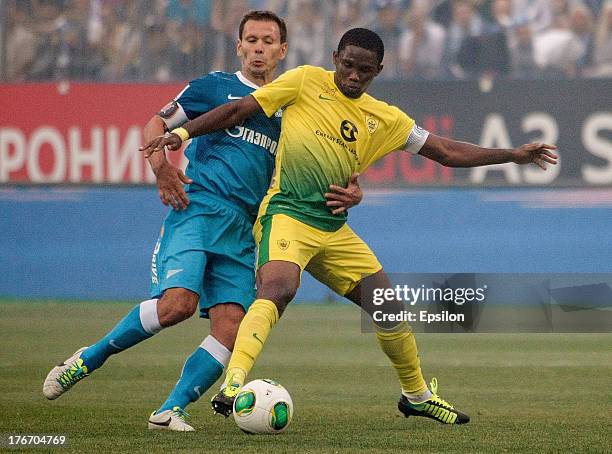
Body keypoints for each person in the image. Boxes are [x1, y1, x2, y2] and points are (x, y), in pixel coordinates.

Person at [142, 28, 558, 425]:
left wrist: (513, 155)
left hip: (333, 229)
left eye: (365, 70)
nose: (354, 76)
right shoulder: (304, 82)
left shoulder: (386, 118)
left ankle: (416, 397)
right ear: (335, 60)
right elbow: (238, 109)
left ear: (378, 70)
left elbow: (446, 151)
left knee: (388, 306)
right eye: (348, 66)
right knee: (279, 288)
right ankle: (233, 386)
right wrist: (182, 132)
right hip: (286, 214)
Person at [42, 10, 362, 432]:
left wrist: (353, 191)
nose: (259, 48)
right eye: (252, 40)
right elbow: (156, 123)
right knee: (178, 305)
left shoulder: (293, 106)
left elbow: (327, 164)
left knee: (232, 328)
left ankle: (169, 410)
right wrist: (162, 169)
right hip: (199, 209)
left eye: (268, 41)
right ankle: (89, 357)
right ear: (239, 46)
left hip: (246, 227)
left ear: (283, 50)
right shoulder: (215, 87)